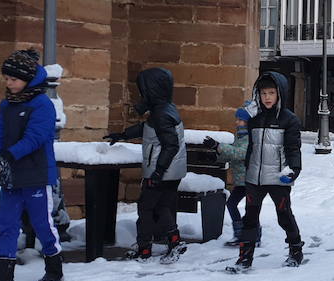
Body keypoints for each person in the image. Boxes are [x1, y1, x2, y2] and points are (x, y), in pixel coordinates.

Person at [0, 48, 64, 281]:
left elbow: (35, 138)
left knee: (42, 222)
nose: (8, 83)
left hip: (36, 173)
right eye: (7, 79)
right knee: (6, 223)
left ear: (28, 79)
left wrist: (7, 156)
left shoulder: (43, 105)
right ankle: (3, 275)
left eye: (13, 79)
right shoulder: (8, 104)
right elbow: (0, 135)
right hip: (12, 174)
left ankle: (54, 267)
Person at [107, 68, 188, 263]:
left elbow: (170, 145)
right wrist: (123, 135)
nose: (141, 94)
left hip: (163, 171)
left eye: (143, 90)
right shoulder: (164, 109)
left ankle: (146, 249)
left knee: (145, 208)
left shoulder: (161, 113)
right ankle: (172, 242)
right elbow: (148, 128)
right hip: (171, 171)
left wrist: (158, 172)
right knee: (161, 207)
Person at [227, 71, 303, 272]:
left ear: (280, 94)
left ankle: (295, 249)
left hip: (278, 177)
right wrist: (247, 165)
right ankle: (245, 258)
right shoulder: (255, 118)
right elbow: (249, 146)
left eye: (271, 93)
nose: (267, 97)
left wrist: (294, 170)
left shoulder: (289, 120)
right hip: (254, 178)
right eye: (263, 93)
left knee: (284, 215)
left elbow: (293, 148)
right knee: (250, 218)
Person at [206, 101, 261, 247]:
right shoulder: (240, 136)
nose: (237, 122)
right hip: (241, 180)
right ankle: (241, 234)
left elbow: (240, 153)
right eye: (237, 119)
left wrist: (219, 146)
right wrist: (217, 155)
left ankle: (251, 235)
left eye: (241, 120)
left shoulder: (251, 137)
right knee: (233, 204)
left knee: (250, 208)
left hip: (250, 180)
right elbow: (232, 153)